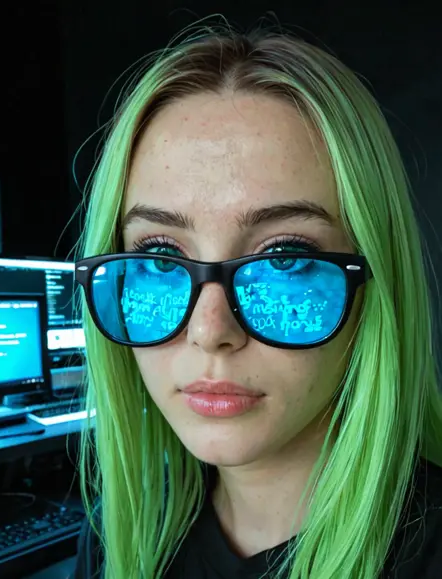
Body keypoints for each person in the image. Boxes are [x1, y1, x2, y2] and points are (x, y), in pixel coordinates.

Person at [72, 22, 442, 579]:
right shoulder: (120, 535)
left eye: (284, 258)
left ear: (375, 282)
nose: (209, 331)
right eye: (160, 258)